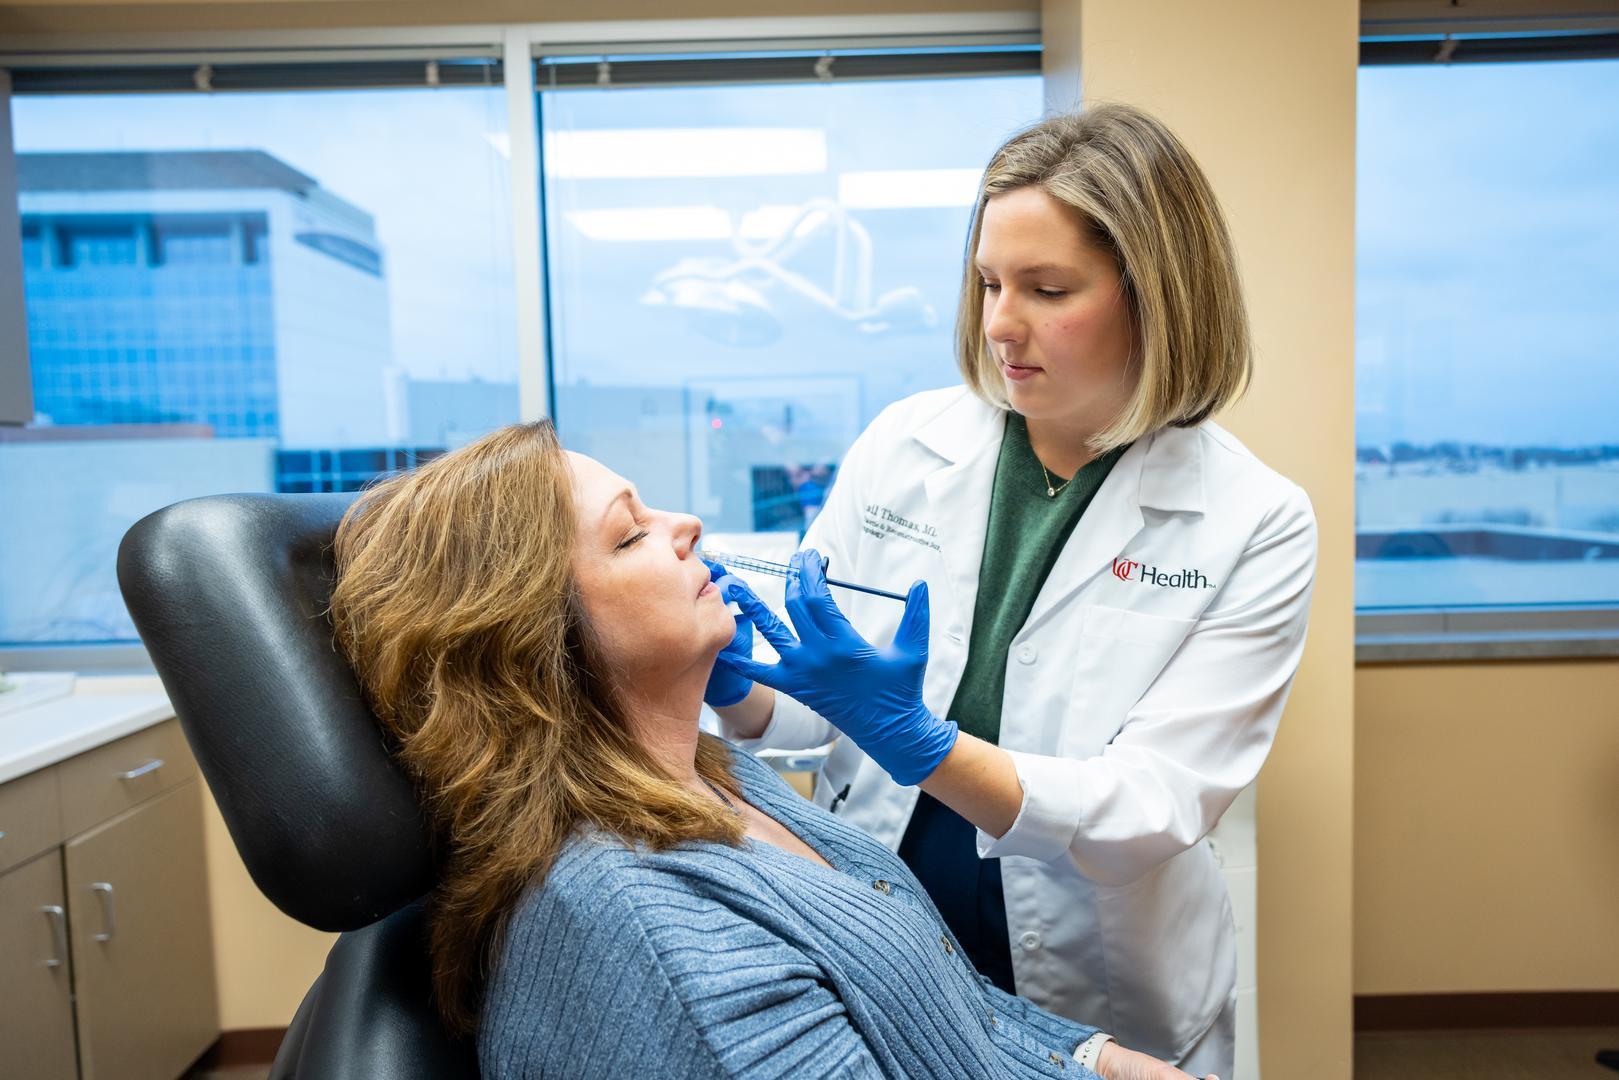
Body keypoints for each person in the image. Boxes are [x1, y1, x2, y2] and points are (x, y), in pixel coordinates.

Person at [708, 103, 1318, 1079]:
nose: (998, 322)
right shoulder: (904, 446)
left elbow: (1151, 806)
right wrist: (741, 687)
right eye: (988, 282)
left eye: (1045, 288)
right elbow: (819, 706)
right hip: (889, 930)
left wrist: (925, 746)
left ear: (1153, 295)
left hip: (1103, 972)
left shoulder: (1252, 518)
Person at [326, 421, 1207, 1079]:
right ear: (533, 639)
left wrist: (1096, 1058)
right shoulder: (652, 933)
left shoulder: (714, 777)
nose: (691, 524)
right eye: (630, 534)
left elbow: (952, 1014)